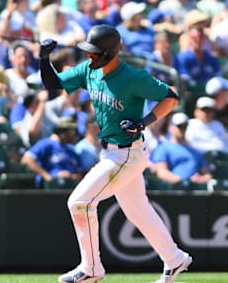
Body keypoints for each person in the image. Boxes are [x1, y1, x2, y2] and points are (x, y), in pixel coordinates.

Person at [39, 25, 192, 283]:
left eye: (95, 52)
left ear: (110, 53)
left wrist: (144, 122)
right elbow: (53, 84)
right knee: (138, 211)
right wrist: (43, 59)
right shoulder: (89, 69)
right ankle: (175, 258)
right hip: (111, 152)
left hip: (127, 154)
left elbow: (171, 97)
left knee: (80, 202)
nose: (89, 56)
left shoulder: (132, 77)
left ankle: (91, 268)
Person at [151, 113, 213, 186]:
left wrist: (200, 179)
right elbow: (161, 172)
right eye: (179, 126)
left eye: (185, 126)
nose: (182, 129)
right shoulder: (163, 147)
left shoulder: (195, 151)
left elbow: (207, 174)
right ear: (171, 127)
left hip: (194, 191)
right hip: (173, 191)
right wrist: (181, 181)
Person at [20, 117, 84, 189]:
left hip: (69, 189)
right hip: (48, 190)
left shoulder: (72, 149)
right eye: (71, 132)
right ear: (62, 132)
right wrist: (48, 176)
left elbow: (80, 174)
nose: (74, 135)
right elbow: (27, 159)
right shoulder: (46, 144)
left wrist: (70, 176)